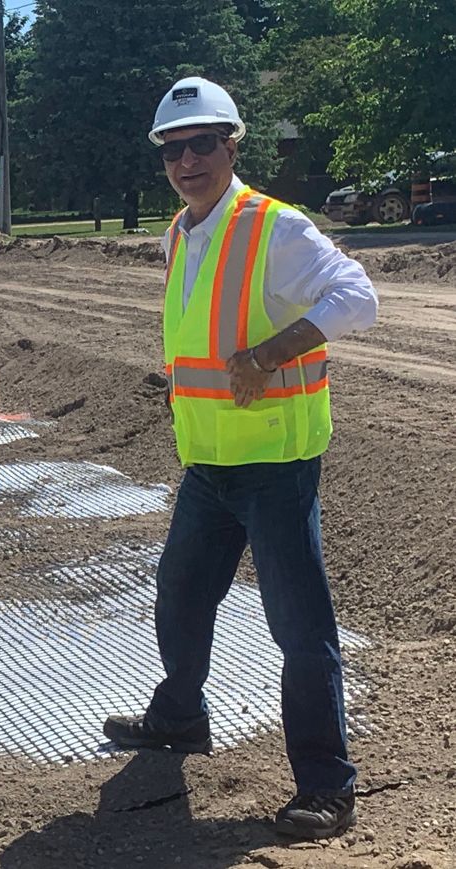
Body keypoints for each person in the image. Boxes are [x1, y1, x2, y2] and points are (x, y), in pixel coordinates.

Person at [101, 77, 378, 841]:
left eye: (201, 144)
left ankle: (327, 785)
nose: (186, 159)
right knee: (181, 596)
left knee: (299, 628)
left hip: (276, 465)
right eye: (172, 148)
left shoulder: (274, 227)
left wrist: (270, 350)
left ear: (231, 145)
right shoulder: (180, 232)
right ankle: (180, 717)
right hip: (210, 464)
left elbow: (356, 297)